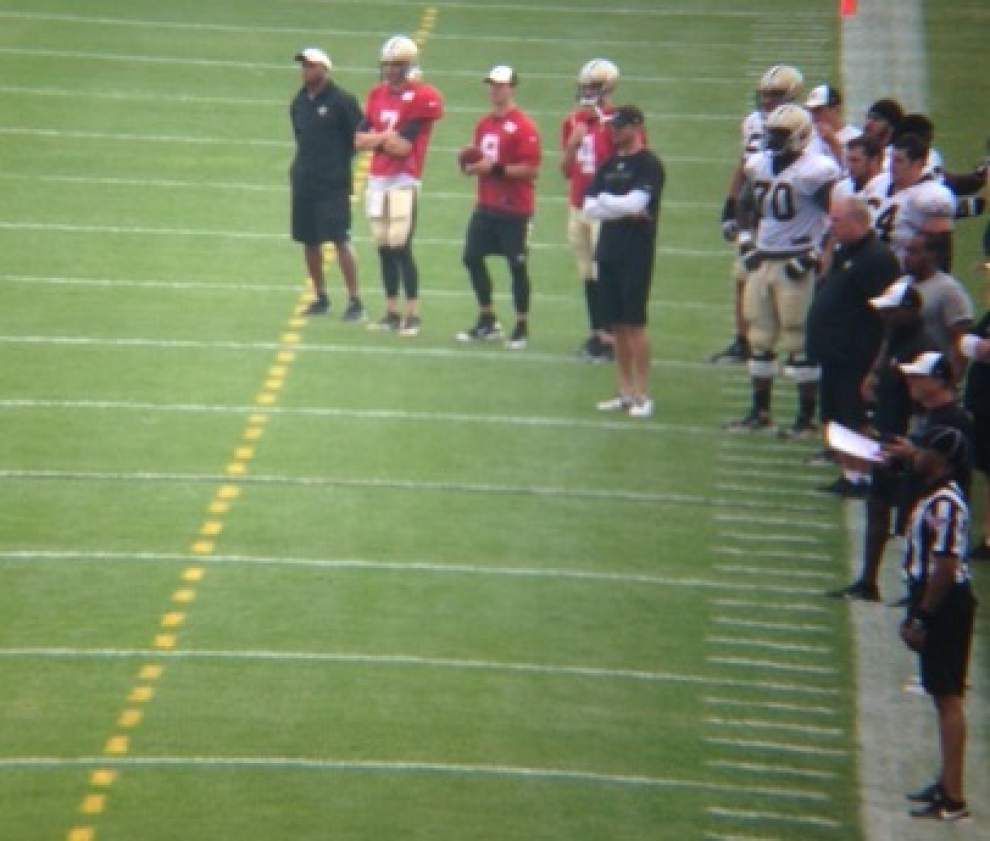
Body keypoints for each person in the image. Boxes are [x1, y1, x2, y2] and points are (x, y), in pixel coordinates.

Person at [726, 103, 841, 435]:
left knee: (798, 339)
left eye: (781, 135)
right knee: (759, 336)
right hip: (764, 258)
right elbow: (747, 205)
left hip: (796, 259)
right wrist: (747, 241)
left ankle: (805, 419)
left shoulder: (816, 170)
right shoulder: (759, 164)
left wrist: (817, 254)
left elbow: (836, 217)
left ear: (801, 136)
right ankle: (760, 412)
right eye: (772, 134)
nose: (774, 141)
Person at [831, 350, 973, 601]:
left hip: (940, 505)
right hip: (925, 499)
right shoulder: (930, 413)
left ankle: (925, 599)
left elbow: (947, 464)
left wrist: (910, 454)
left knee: (938, 554)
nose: (911, 383)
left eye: (918, 377)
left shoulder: (954, 419)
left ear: (939, 381)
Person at [896, 425, 976, 822]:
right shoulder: (937, 496)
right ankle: (947, 782)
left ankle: (955, 796)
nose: (918, 454)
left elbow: (945, 565)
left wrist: (923, 616)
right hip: (939, 600)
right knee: (941, 694)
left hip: (945, 604)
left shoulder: (945, 503)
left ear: (942, 460)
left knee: (948, 697)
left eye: (925, 449)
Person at [713, 65, 804, 364]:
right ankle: (744, 341)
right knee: (743, 274)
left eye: (774, 95)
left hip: (788, 210)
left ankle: (796, 349)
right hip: (755, 205)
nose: (766, 101)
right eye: (764, 94)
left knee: (792, 284)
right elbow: (745, 162)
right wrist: (731, 200)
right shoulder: (753, 122)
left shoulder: (802, 126)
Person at [806, 197, 900, 484]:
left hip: (855, 356)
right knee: (836, 418)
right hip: (835, 354)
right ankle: (849, 476)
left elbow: (888, 316)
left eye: (837, 220)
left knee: (854, 418)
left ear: (858, 221)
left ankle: (862, 477)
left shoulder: (877, 259)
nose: (831, 226)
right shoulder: (846, 251)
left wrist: (875, 366)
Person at [355, 35, 444, 337]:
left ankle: (413, 313)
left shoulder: (424, 96)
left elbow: (404, 147)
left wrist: (376, 140)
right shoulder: (376, 95)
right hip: (378, 178)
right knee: (382, 246)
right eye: (388, 65)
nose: (391, 71)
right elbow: (358, 139)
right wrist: (383, 139)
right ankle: (391, 311)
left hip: (404, 179)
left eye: (397, 65)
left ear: (409, 66)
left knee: (400, 244)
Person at [583, 106, 665, 419]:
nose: (614, 132)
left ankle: (643, 393)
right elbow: (591, 207)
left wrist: (610, 204)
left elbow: (638, 203)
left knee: (635, 323)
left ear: (637, 126)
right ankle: (624, 391)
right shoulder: (609, 165)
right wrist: (618, 207)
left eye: (619, 126)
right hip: (609, 249)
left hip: (636, 251)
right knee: (617, 325)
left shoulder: (649, 164)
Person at [456, 65, 541, 350]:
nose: (495, 90)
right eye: (492, 85)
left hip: (515, 209)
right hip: (487, 205)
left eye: (500, 85)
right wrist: (469, 166)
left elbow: (530, 170)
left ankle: (521, 324)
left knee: (517, 266)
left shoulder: (524, 126)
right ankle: (487, 318)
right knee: (471, 257)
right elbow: (482, 161)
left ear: (512, 88)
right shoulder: (484, 124)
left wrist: (494, 168)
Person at [289, 47, 365, 319]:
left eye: (310, 66)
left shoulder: (343, 100)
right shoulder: (299, 102)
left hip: (333, 184)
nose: (305, 70)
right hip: (305, 181)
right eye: (303, 66)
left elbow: (358, 138)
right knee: (309, 241)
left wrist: (335, 164)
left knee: (340, 239)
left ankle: (355, 300)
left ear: (324, 69)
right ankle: (321, 296)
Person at [561, 59, 621, 362]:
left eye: (593, 87)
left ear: (608, 87)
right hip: (578, 205)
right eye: (584, 86)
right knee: (587, 273)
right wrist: (572, 145)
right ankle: (597, 332)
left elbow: (628, 164)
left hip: (604, 208)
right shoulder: (574, 120)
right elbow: (565, 170)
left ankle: (611, 337)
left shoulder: (618, 123)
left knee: (603, 273)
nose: (586, 92)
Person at [876, 133, 956, 269]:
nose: (892, 166)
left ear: (918, 164)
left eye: (899, 161)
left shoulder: (931, 196)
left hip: (905, 276)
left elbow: (941, 252)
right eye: (892, 159)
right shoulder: (878, 183)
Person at [900, 233, 973, 380]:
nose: (906, 257)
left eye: (913, 252)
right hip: (905, 377)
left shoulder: (948, 289)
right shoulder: (901, 285)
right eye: (906, 251)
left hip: (934, 377)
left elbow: (961, 340)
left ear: (931, 255)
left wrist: (952, 379)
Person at [805, 84, 861, 167]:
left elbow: (853, 170)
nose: (814, 116)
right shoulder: (808, 138)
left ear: (837, 109)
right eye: (811, 111)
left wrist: (833, 142)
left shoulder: (857, 137)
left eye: (819, 110)